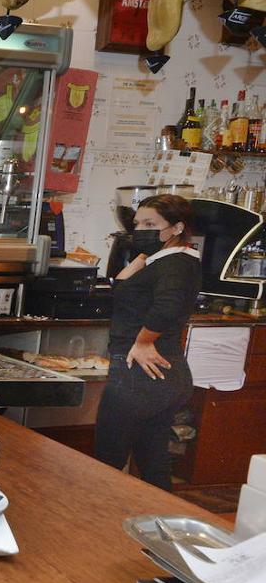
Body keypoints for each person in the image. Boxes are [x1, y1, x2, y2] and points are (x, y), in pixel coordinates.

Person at [93, 194, 201, 490]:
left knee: (106, 460)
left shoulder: (176, 264)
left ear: (177, 227)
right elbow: (122, 283)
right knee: (153, 461)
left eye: (151, 224)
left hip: (140, 376)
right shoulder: (166, 260)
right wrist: (145, 253)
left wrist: (142, 342)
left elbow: (167, 307)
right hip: (162, 376)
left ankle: (93, 528)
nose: (141, 230)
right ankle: (158, 527)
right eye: (138, 223)